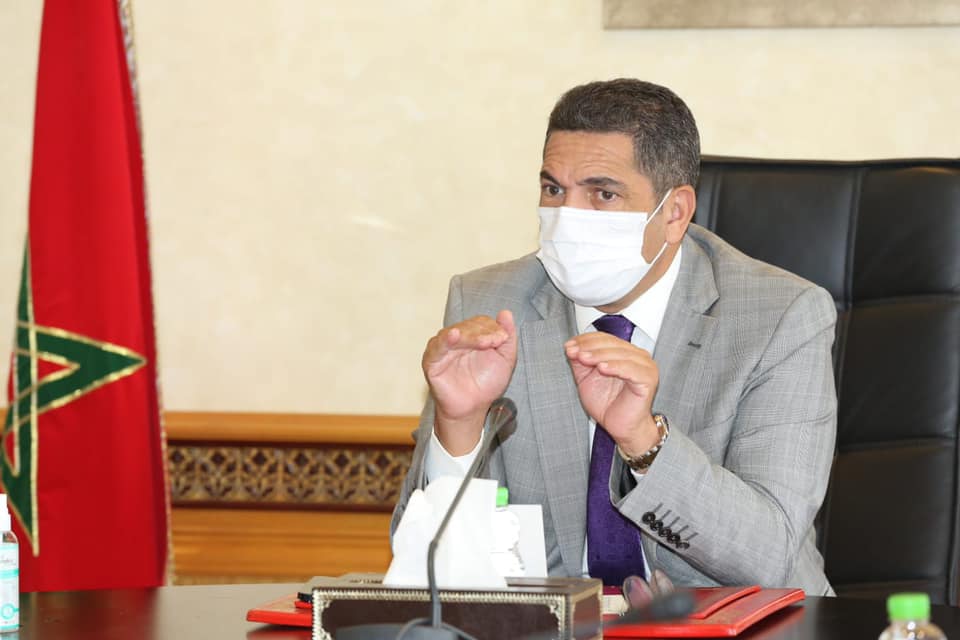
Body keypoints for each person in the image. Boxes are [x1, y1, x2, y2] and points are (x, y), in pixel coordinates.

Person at [392, 78, 837, 598]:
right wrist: (460, 425)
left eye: (603, 194)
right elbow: (420, 558)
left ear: (674, 213)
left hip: (738, 623)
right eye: (554, 190)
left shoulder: (780, 318)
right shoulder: (490, 304)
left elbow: (767, 555)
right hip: (553, 625)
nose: (568, 217)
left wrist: (643, 443)